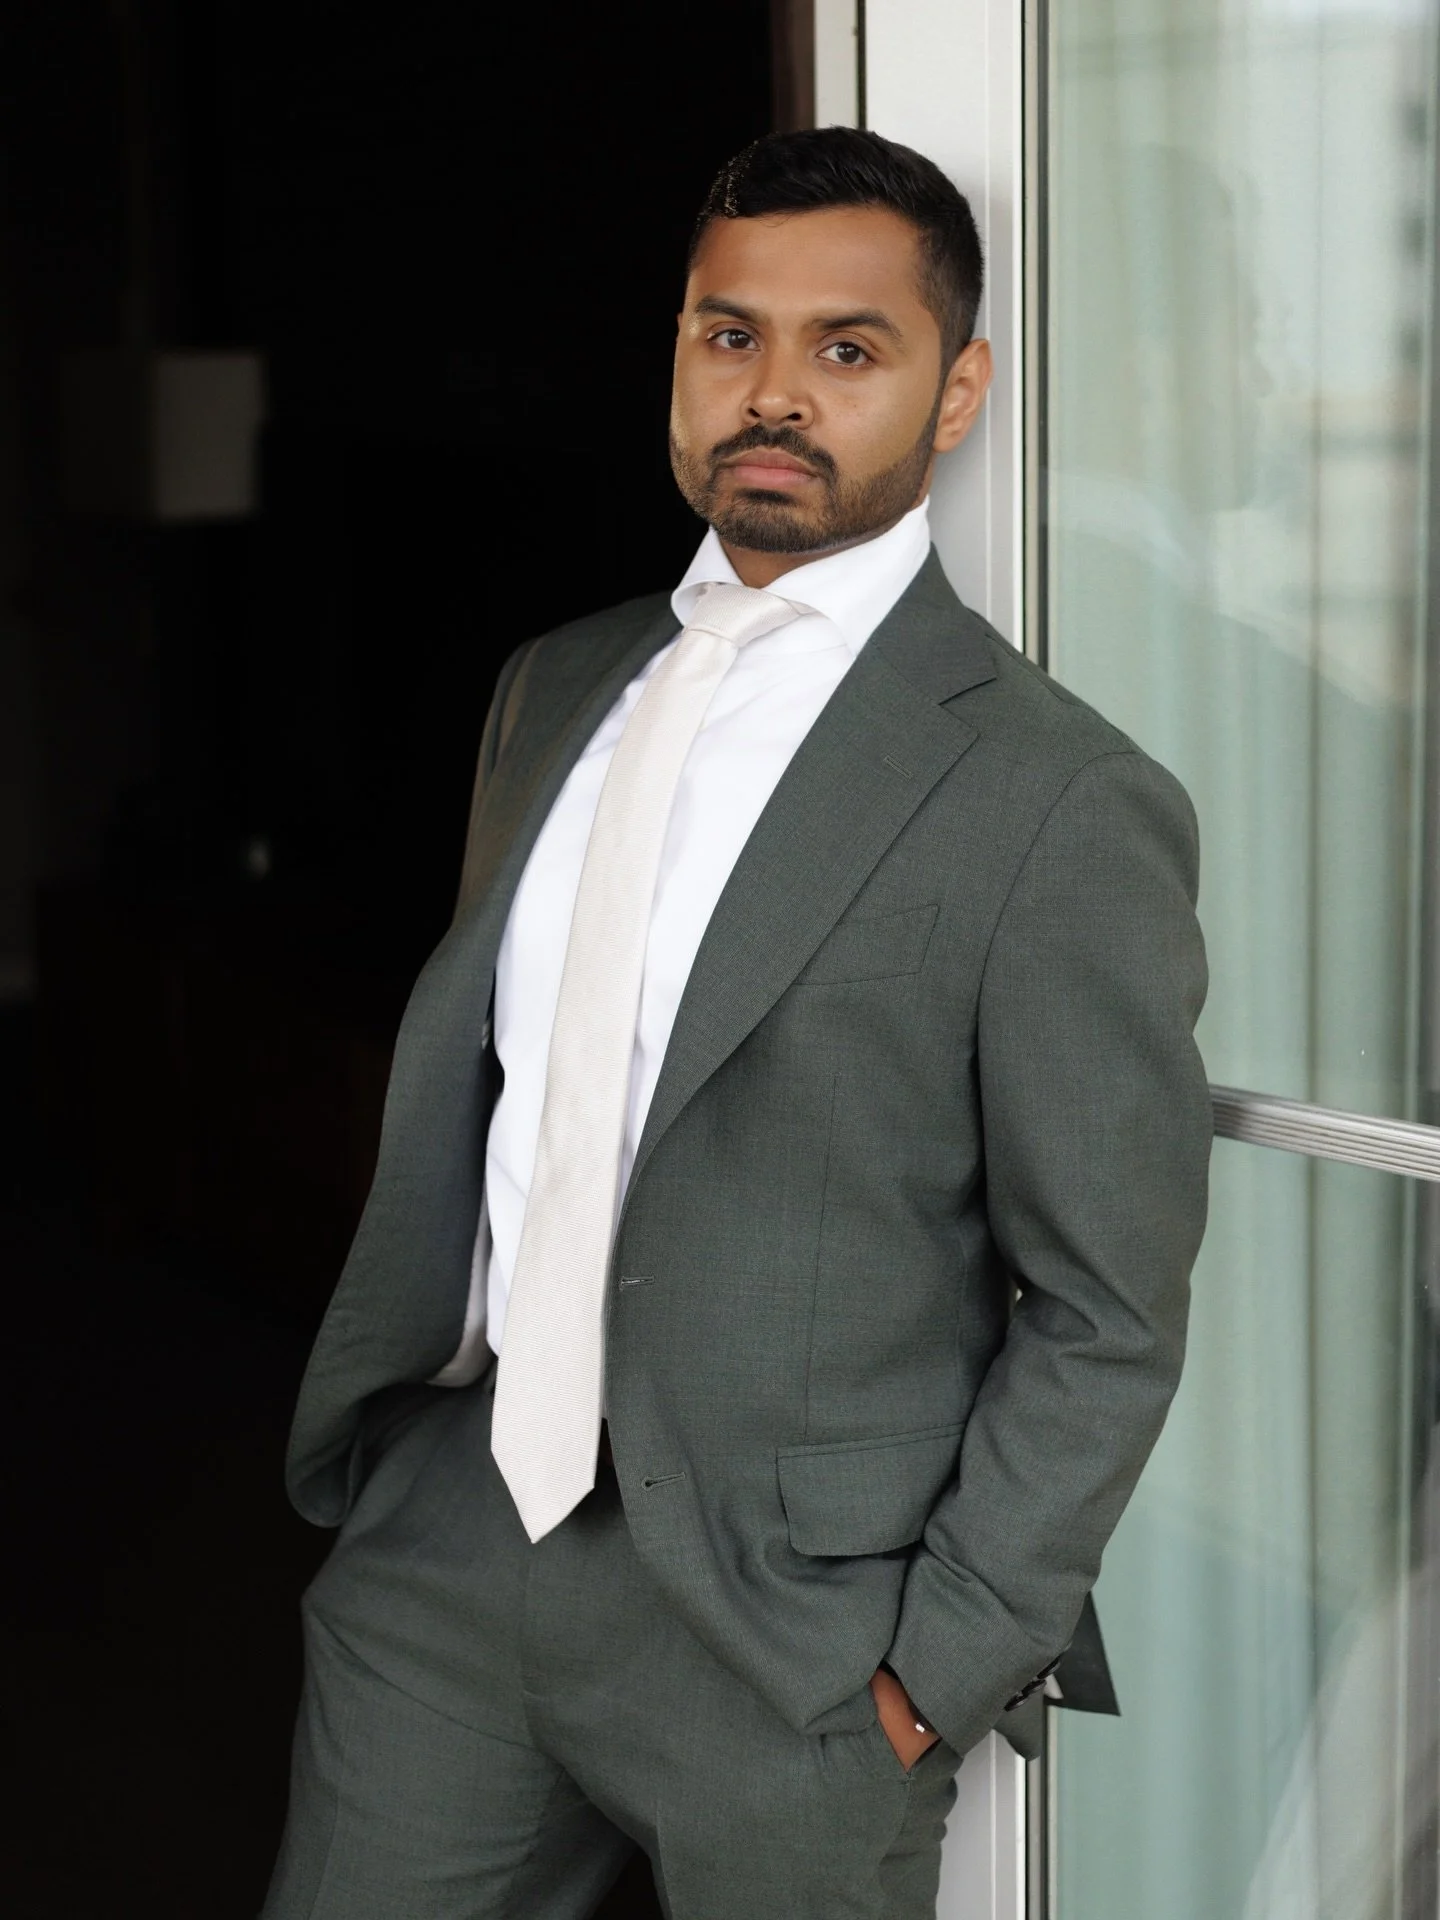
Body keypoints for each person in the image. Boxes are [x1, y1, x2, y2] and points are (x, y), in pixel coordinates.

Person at [262, 126, 1211, 1920]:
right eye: (729, 336)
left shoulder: (1058, 796)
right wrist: (400, 1482)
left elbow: (1105, 1304)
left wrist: (934, 1672)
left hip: (799, 1642)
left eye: (848, 348)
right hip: (450, 1556)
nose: (775, 392)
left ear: (955, 391)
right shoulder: (555, 685)